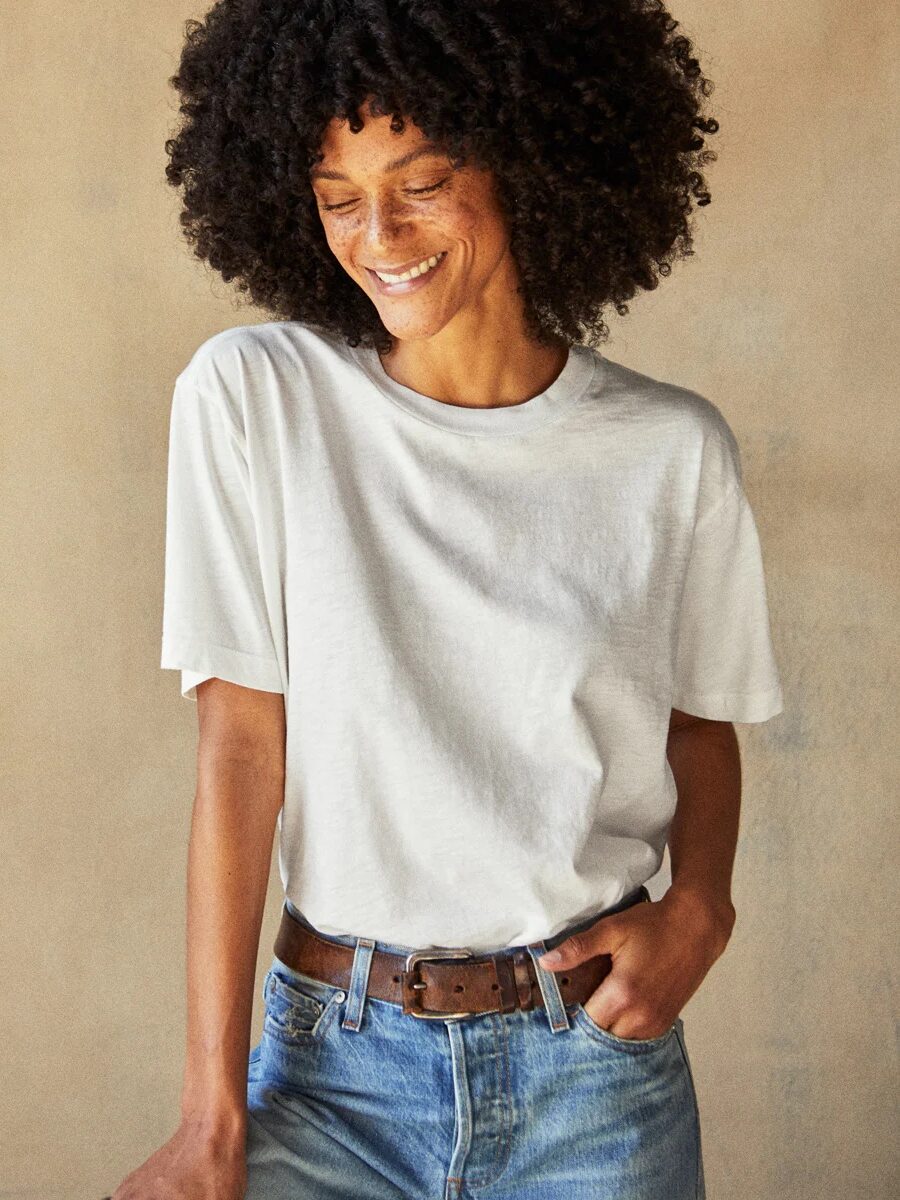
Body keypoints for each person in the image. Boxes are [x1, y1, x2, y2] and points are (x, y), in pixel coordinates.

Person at [113, 2, 784, 1197]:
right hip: (332, 1072)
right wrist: (212, 1116)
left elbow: (697, 724)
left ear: (527, 162)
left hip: (594, 1075)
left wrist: (705, 911)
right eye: (337, 195)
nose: (380, 235)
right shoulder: (257, 400)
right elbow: (239, 752)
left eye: (421, 182)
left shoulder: (669, 451)